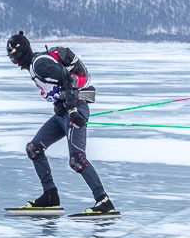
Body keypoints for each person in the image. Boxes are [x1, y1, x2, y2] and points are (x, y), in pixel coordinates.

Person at [6, 31, 118, 217]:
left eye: (13, 54)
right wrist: (60, 104)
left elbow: (68, 79)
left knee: (77, 160)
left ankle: (104, 202)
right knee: (34, 148)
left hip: (75, 111)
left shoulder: (40, 64)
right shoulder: (35, 66)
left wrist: (73, 110)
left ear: (21, 53)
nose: (11, 59)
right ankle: (50, 196)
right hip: (64, 112)